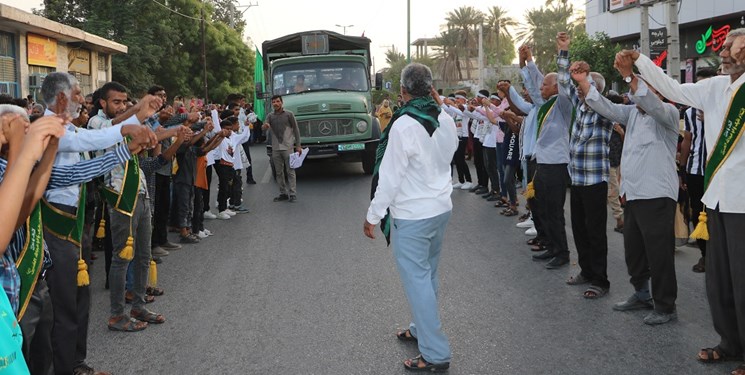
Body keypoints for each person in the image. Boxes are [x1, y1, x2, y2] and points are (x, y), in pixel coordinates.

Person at [626, 28, 745, 373]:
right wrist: (640, 61)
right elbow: (672, 89)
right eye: (721, 46)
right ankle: (730, 342)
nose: (722, 52)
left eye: (730, 46)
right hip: (719, 197)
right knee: (720, 277)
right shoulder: (714, 87)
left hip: (743, 201)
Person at [364, 63, 456, 372]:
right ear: (431, 89)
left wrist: (373, 215)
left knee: (418, 282)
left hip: (414, 216)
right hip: (440, 209)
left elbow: (389, 177)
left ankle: (435, 353)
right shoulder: (444, 117)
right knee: (427, 276)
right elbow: (449, 156)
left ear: (403, 92)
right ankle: (420, 329)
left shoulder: (403, 124)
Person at [579, 51, 680, 325]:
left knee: (659, 254)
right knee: (634, 251)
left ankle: (665, 306)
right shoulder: (632, 114)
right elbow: (604, 106)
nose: (636, 94)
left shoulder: (668, 114)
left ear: (657, 92)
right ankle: (641, 293)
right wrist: (584, 81)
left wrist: (628, 74)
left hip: (658, 196)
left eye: (641, 88)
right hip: (633, 195)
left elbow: (652, 104)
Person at [528, 33, 574, 270]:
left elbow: (566, 84)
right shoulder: (546, 106)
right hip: (543, 164)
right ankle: (551, 246)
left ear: (555, 87)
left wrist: (563, 54)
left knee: (555, 212)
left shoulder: (564, 104)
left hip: (556, 166)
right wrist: (527, 62)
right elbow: (533, 85)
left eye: (545, 84)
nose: (541, 87)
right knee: (544, 208)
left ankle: (562, 252)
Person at [678, 68, 718, 273]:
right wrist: (682, 169)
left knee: (718, 215)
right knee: (698, 213)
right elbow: (687, 140)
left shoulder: (726, 107)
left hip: (719, 172)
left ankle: (721, 256)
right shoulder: (690, 111)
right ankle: (705, 255)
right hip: (695, 170)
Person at [263, 95, 302, 202]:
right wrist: (265, 126)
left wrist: (298, 145)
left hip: (288, 147)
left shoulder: (289, 114)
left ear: (281, 102)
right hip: (275, 148)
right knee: (279, 172)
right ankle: (283, 193)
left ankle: (293, 193)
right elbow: (264, 126)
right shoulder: (270, 116)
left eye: (277, 101)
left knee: (290, 171)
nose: (275, 103)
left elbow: (296, 130)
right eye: (273, 102)